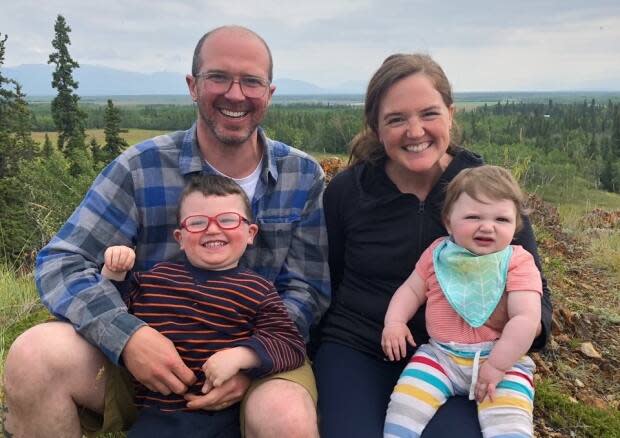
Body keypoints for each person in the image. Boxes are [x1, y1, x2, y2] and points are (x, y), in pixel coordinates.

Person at [3, 26, 329, 438]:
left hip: (258, 358)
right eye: (218, 77)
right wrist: (128, 337)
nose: (235, 93)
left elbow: (307, 290)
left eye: (251, 81)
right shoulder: (140, 166)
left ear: (269, 92)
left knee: (287, 416)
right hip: (148, 363)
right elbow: (62, 261)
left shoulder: (301, 174)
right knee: (34, 356)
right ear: (193, 86)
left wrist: (250, 358)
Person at [313, 53, 552, 437]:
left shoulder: (487, 192)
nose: (414, 131)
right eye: (396, 119)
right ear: (376, 126)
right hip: (357, 347)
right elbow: (329, 279)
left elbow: (538, 300)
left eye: (428, 113)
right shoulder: (348, 190)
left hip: (464, 356)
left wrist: (512, 328)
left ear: (450, 114)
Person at [100, 174, 306, 437]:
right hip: (156, 417)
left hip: (224, 420)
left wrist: (242, 356)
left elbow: (290, 343)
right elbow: (115, 311)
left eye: (228, 220)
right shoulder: (156, 279)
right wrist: (114, 272)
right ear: (180, 237)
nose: (212, 229)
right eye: (197, 223)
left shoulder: (258, 290)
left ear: (250, 233)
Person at [382, 165, 541, 438]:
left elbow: (525, 319)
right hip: (441, 355)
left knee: (509, 424)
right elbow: (411, 290)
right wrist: (394, 322)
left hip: (501, 359)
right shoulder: (438, 255)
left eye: (502, 220)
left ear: (516, 226)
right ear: (448, 221)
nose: (487, 227)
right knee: (404, 407)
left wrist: (498, 365)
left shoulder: (516, 261)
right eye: (473, 216)